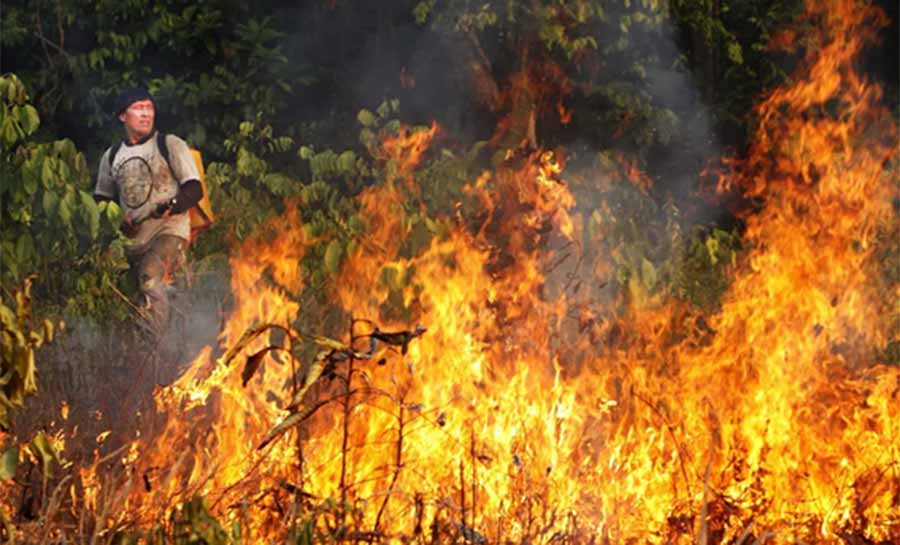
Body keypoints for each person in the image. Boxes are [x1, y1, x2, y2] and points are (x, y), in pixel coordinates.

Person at [94, 88, 204, 336]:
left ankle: (156, 346)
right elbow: (102, 200)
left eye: (149, 108)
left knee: (150, 276)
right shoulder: (111, 156)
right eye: (138, 108)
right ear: (123, 116)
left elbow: (194, 189)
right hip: (132, 241)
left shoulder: (170, 144)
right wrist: (120, 221)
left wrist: (172, 206)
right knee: (130, 300)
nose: (146, 114)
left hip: (169, 231)